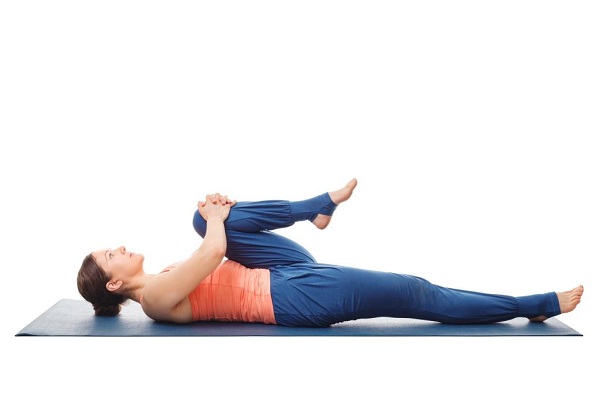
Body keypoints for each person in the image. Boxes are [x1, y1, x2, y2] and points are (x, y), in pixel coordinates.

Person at [77, 178, 583, 327]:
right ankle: (532, 304)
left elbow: (217, 246)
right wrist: (214, 218)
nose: (120, 248)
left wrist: (213, 214)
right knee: (417, 292)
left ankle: (317, 208)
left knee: (203, 219)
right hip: (295, 297)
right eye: (110, 255)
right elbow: (212, 256)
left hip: (282, 271)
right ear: (115, 283)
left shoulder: (161, 283)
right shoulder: (157, 297)